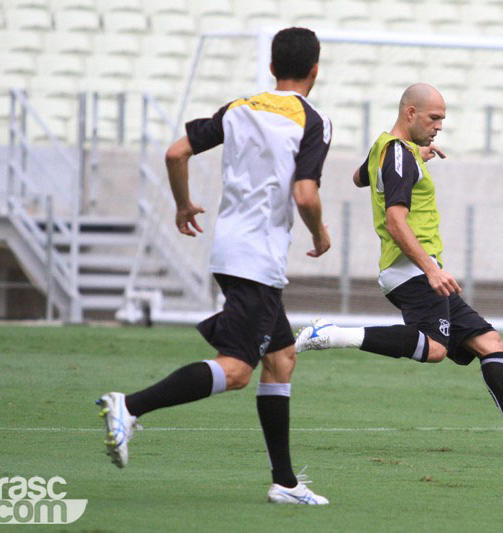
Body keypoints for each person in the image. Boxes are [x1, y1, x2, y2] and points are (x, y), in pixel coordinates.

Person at [97, 27, 334, 504]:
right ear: (315, 70)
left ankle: (284, 483)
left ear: (271, 67)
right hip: (257, 259)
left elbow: (175, 152)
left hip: (231, 248)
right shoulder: (313, 120)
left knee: (281, 358)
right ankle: (130, 406)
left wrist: (184, 205)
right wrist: (320, 234)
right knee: (239, 370)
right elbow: (305, 194)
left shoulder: (240, 107)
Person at [295, 83, 503, 457]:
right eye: (434, 117)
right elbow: (395, 221)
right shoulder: (399, 156)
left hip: (418, 268)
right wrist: (431, 269)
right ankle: (332, 334)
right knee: (436, 349)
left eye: (442, 118)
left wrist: (413, 157)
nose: (439, 125)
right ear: (410, 113)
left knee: (490, 344)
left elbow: (359, 178)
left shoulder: (389, 149)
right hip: (411, 269)